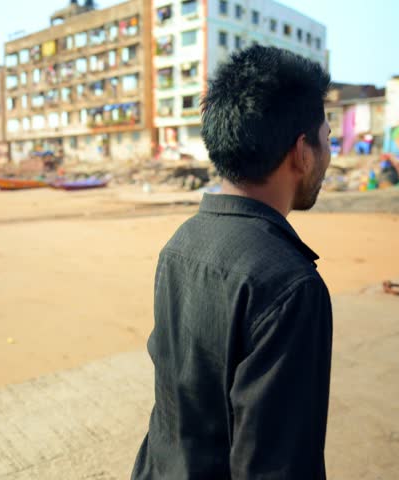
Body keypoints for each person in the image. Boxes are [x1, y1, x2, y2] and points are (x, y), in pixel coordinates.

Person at [131, 45, 333, 479]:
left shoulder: (181, 242)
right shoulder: (290, 286)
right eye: (327, 137)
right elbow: (278, 465)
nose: (329, 154)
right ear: (302, 151)